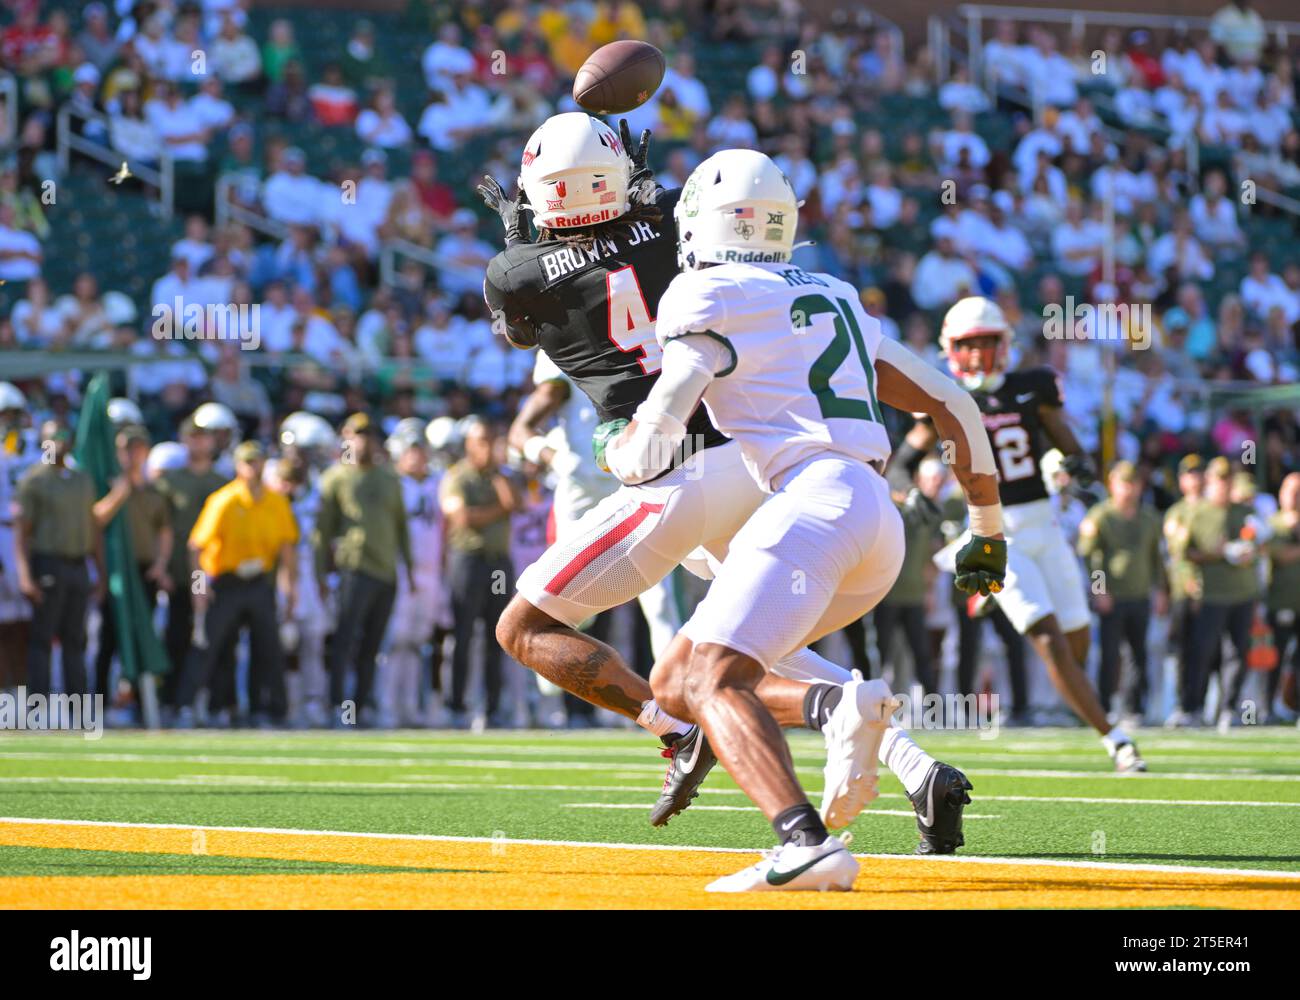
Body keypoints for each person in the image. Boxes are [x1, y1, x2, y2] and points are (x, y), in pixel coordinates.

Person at [486, 115, 972, 854]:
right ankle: (913, 764)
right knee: (748, 637)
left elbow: (524, 324)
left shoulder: (514, 272)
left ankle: (676, 728)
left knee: (523, 628)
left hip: (667, 468)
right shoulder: (666, 221)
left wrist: (535, 235)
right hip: (752, 463)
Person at [600, 148, 1005, 891]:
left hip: (810, 503)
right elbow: (956, 404)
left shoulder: (703, 293)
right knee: (674, 679)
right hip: (875, 523)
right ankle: (844, 713)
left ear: (700, 222)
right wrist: (987, 528)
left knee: (712, 681)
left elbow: (658, 430)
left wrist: (623, 456)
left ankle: (805, 842)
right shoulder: (837, 292)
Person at [893, 296, 1147, 771]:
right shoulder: (943, 396)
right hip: (993, 530)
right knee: (1047, 640)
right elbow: (903, 463)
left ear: (1004, 346)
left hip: (1044, 524)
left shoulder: (1034, 387)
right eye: (968, 346)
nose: (977, 355)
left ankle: (988, 594)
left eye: (987, 344)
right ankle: (1116, 738)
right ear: (951, 349)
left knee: (1075, 642)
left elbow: (1073, 451)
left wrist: (1073, 467)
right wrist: (914, 494)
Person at [176, 441, 298, 726]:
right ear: (237, 466)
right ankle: (186, 705)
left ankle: (272, 710)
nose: (252, 468)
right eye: (247, 462)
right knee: (209, 645)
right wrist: (199, 588)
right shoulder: (224, 501)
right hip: (227, 582)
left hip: (259, 582)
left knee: (269, 646)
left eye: (257, 462)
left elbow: (287, 548)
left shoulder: (276, 501)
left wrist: (289, 589)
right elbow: (196, 546)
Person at [314, 413, 411, 727]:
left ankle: (363, 706)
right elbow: (322, 533)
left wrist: (407, 570)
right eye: (357, 434)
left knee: (372, 645)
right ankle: (338, 707)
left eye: (369, 434)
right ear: (345, 437)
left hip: (386, 572)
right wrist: (319, 576)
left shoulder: (389, 478)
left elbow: (401, 527)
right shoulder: (336, 478)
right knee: (344, 643)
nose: (364, 440)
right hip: (353, 569)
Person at [14, 420, 103, 698]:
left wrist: (100, 573)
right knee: (42, 638)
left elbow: (93, 529)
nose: (57, 443)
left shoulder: (82, 479)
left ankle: (77, 708)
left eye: (63, 437)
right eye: (51, 438)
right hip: (48, 564)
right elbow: (21, 533)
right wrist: (25, 576)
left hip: (78, 565)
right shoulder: (34, 480)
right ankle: (39, 707)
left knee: (75, 640)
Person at [1077, 461, 1168, 725]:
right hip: (1112, 595)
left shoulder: (1149, 517)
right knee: (1109, 653)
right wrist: (1099, 591)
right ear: (1113, 485)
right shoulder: (1101, 516)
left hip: (1139, 593)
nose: (1129, 490)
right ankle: (1104, 706)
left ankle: (1133, 707)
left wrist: (1161, 589)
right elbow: (1091, 556)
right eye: (1123, 483)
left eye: (1133, 484)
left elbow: (1157, 558)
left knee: (1138, 653)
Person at [441, 419, 518, 727]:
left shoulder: (500, 477)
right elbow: (463, 518)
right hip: (469, 560)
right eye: (482, 441)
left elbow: (518, 503)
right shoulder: (457, 477)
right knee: (462, 633)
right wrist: (500, 509)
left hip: (498, 562)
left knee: (496, 636)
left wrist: (499, 479)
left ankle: (492, 707)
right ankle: (455, 705)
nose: (488, 448)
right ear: (470, 445)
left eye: (491, 441)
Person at [90, 427, 172, 699]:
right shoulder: (108, 483)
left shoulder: (155, 491)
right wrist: (120, 492)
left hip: (145, 571)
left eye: (137, 448)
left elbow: (164, 531)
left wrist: (161, 564)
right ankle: (99, 702)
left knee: (143, 637)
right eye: (126, 448)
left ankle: (140, 702)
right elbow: (97, 519)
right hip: (116, 572)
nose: (132, 454)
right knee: (109, 639)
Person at [153, 418, 228, 707]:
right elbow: (161, 527)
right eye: (193, 437)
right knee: (177, 638)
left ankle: (216, 703)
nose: (199, 443)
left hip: (214, 573)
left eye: (204, 436)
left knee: (216, 640)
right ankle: (173, 701)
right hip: (182, 574)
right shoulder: (171, 482)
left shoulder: (222, 483)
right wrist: (162, 566)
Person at [1183, 457, 1260, 730]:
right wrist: (1214, 554)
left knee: (1237, 653)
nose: (1224, 485)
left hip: (1242, 591)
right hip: (1212, 593)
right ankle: (1195, 707)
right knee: (1203, 652)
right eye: (1219, 479)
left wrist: (1246, 552)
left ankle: (1228, 708)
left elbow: (1258, 544)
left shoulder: (1243, 511)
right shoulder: (1197, 512)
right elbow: (1184, 553)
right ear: (1210, 481)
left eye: (1228, 480)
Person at [383, 421, 450, 728]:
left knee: (418, 641)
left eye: (420, 449)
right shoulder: (392, 484)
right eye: (411, 450)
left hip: (432, 570)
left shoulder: (438, 483)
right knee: (395, 640)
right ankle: (386, 706)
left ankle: (411, 706)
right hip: (402, 568)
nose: (417, 456)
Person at [1163, 454, 1206, 726]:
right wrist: (1188, 580)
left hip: (1216, 591)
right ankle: (1182, 704)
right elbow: (1176, 555)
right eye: (1189, 474)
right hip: (1184, 591)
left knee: (1209, 650)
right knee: (1182, 648)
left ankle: (1203, 704)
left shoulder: (1215, 509)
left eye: (1199, 473)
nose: (1195, 479)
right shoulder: (1176, 513)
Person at [1265, 473, 1300, 723]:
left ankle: (1294, 707)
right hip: (1278, 601)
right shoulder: (1271, 524)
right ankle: (1267, 706)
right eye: (1291, 491)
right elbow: (1279, 555)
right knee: (1274, 658)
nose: (1295, 497)